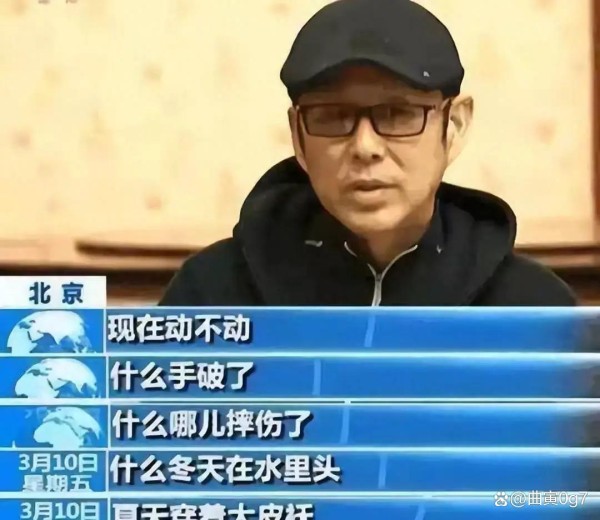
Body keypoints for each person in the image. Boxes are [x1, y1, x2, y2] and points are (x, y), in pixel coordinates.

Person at [159, 0, 576, 307]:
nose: (365, 147)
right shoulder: (212, 294)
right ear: (297, 136)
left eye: (398, 114)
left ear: (455, 125)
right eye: (332, 116)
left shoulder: (532, 307)